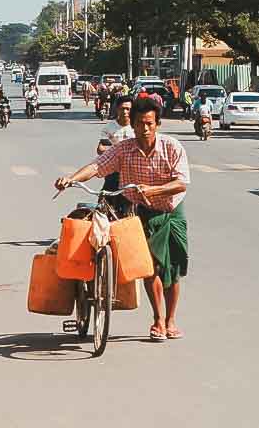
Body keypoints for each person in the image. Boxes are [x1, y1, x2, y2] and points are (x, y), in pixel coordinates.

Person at [56, 97, 189, 342]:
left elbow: (181, 183)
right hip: (140, 212)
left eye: (149, 123)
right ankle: (158, 320)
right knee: (149, 267)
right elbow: (97, 167)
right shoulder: (123, 148)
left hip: (171, 211)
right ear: (133, 125)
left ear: (157, 124)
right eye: (140, 124)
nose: (145, 129)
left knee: (173, 270)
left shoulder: (172, 147)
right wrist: (72, 179)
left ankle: (171, 320)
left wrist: (153, 190)